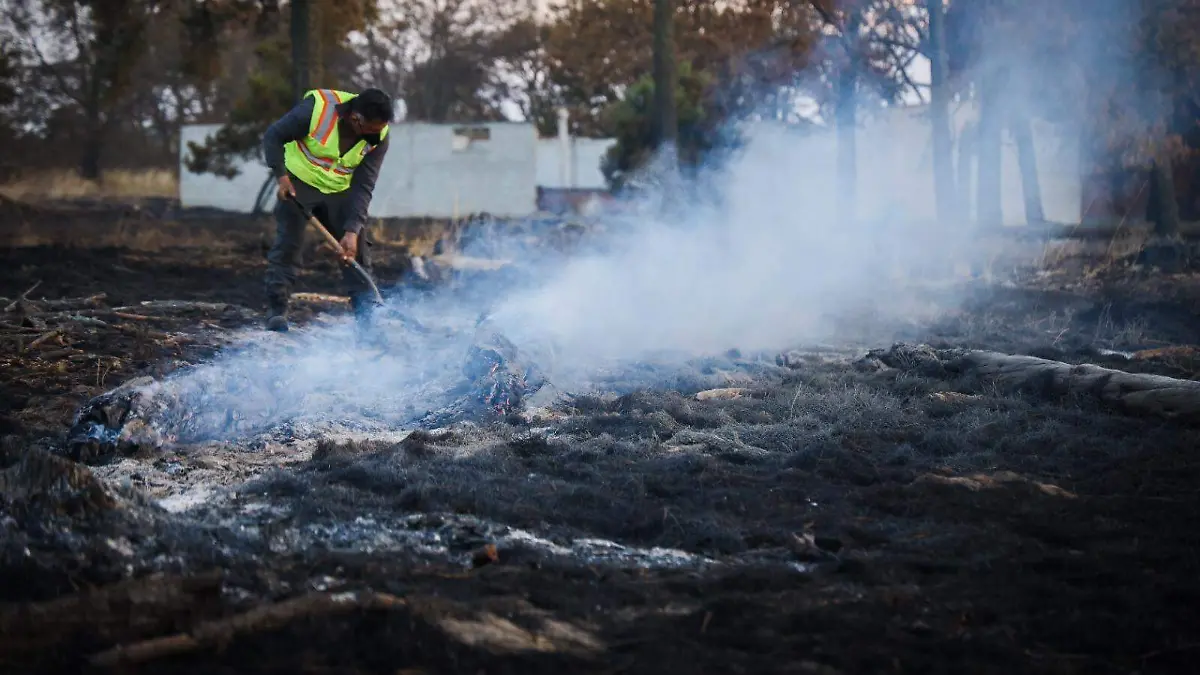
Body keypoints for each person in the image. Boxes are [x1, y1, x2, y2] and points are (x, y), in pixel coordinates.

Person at [261, 87, 393, 332]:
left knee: (357, 253)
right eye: (372, 131)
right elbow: (273, 136)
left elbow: (365, 185)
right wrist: (282, 177)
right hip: (299, 184)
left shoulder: (380, 135)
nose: (377, 136)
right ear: (356, 119)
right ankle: (276, 311)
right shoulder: (316, 111)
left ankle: (368, 322)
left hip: (340, 191)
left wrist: (352, 230)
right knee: (288, 246)